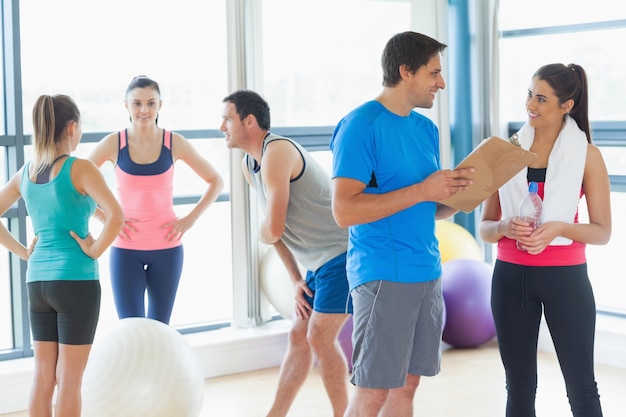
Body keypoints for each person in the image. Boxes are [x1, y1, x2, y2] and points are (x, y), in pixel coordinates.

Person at [330, 31, 474, 417]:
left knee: (407, 390)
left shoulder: (425, 129)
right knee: (374, 393)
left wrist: (457, 198)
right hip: (382, 275)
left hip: (426, 272)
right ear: (405, 71)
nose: (441, 83)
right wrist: (423, 189)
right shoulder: (360, 125)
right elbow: (344, 210)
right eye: (434, 73)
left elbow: (427, 205)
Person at [479, 63, 611, 417]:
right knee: (518, 388)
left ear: (566, 106)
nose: (530, 105)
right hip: (510, 278)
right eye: (528, 94)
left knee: (582, 387)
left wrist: (559, 228)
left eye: (541, 99)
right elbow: (484, 228)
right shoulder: (504, 152)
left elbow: (602, 231)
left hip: (565, 279)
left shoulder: (588, 156)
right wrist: (505, 226)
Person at [220, 89, 352, 417]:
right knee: (298, 335)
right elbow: (274, 228)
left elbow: (272, 229)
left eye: (227, 118)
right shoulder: (249, 165)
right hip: (317, 264)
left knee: (320, 337)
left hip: (343, 253)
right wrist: (295, 279)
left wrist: (265, 231)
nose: (221, 126)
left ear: (249, 121)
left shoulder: (278, 152)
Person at [0, 94, 124, 417]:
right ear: (71, 128)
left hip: (37, 283)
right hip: (75, 282)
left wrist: (23, 251)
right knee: (69, 381)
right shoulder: (79, 167)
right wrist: (94, 249)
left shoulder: (27, 172)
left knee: (43, 378)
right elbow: (117, 215)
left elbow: (82, 207)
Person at [88, 75, 224, 324]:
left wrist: (189, 220)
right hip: (125, 250)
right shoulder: (113, 143)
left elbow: (216, 181)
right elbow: (78, 184)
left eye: (151, 103)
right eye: (137, 103)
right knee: (132, 329)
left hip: (168, 249)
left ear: (160, 105)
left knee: (160, 329)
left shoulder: (175, 143)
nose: (144, 110)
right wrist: (105, 217)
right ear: (126, 106)